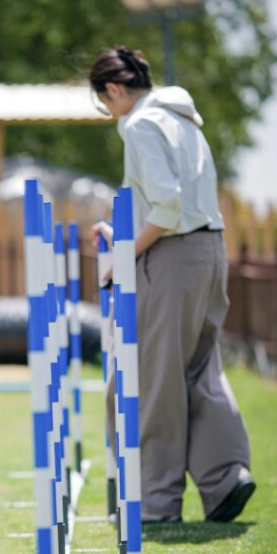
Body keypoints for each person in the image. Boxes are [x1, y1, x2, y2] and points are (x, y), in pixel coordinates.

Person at [89, 45, 255, 523]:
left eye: (105, 104)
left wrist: (125, 254)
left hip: (173, 259)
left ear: (116, 89)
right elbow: (174, 205)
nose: (109, 113)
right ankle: (226, 479)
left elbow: (167, 208)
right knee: (202, 369)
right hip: (211, 251)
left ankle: (158, 503)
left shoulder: (141, 124)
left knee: (155, 377)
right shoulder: (184, 119)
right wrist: (125, 234)